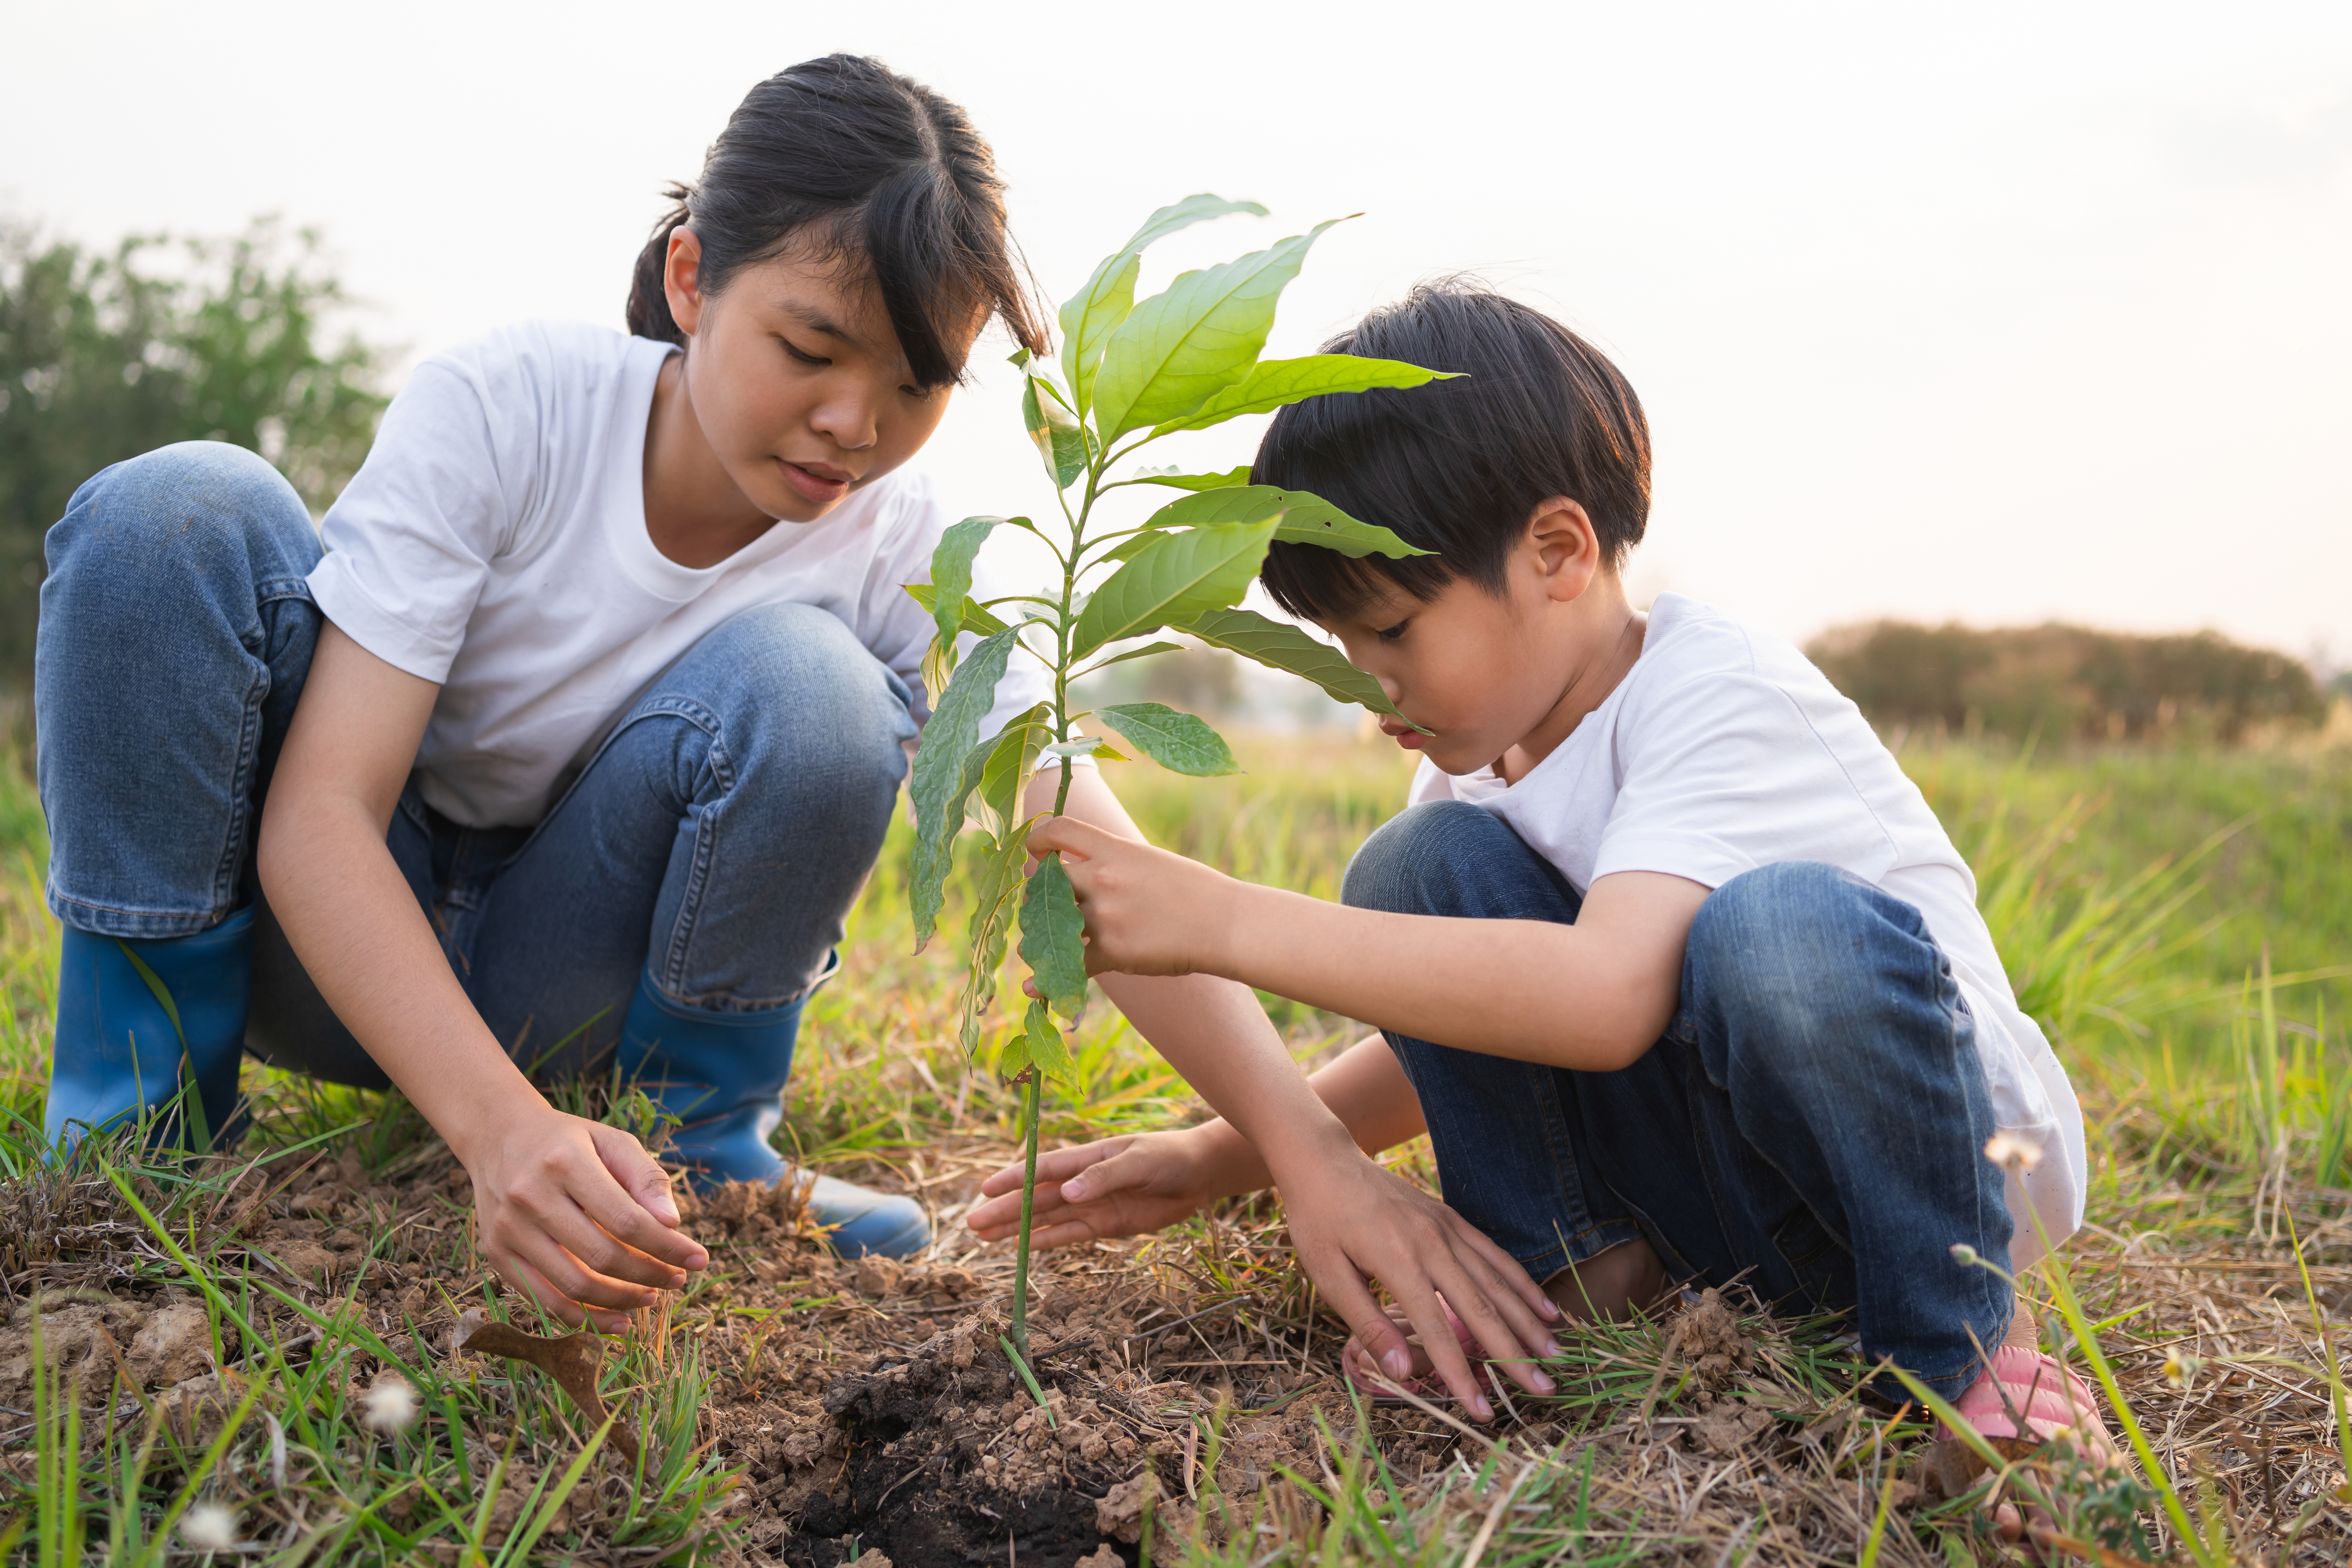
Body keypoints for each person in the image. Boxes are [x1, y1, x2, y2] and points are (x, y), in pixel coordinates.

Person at [35, 59, 1567, 1356]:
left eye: (916, 385)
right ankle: (141, 1141)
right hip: (320, 948)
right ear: (695, 278)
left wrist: (1302, 1156)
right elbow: (318, 820)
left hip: (558, 976)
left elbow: (1075, 839)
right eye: (810, 351)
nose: (855, 426)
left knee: (817, 685)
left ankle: (705, 1166)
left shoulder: (891, 547)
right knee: (179, 512)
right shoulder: (506, 412)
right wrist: (496, 1138)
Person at [971, 280, 2113, 1511]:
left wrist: (1230, 920)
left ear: (1558, 552)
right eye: (1349, 659)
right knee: (1419, 877)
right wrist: (1217, 1157)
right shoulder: (1489, 761)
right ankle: (1570, 1287)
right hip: (1730, 1202)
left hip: (1915, 1190)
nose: (1375, 692)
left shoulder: (1718, 695)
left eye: (1397, 632)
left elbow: (1603, 1002)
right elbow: (1468, 1022)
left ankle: (1956, 1359)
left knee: (1778, 932)